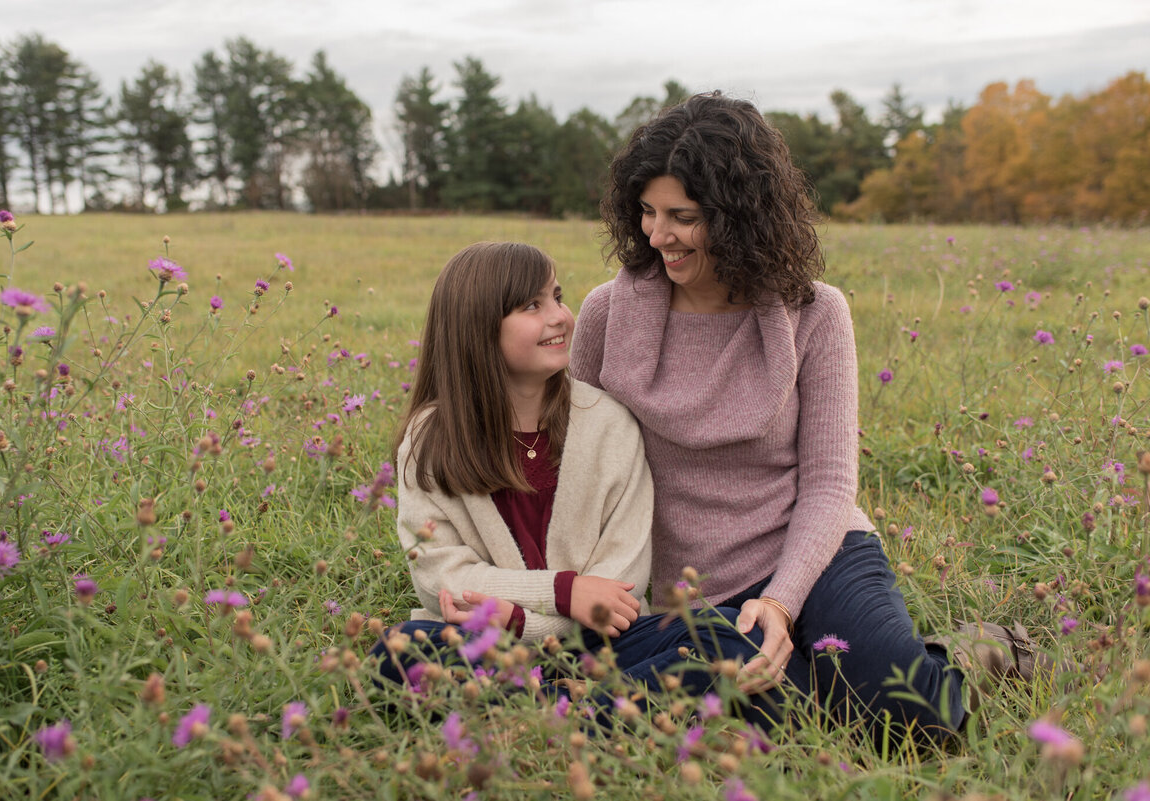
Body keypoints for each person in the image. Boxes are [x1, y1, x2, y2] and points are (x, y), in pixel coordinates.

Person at [570, 92, 1052, 741]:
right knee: (793, 726)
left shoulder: (817, 313)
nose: (657, 236)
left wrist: (781, 599)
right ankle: (814, 669)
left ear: (739, 215)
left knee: (911, 717)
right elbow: (573, 466)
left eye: (682, 217)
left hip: (812, 550)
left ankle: (980, 651)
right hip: (678, 586)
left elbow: (829, 484)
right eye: (648, 212)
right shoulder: (606, 313)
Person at [374, 241, 763, 702]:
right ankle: (594, 706)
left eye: (556, 297)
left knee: (725, 639)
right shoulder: (432, 437)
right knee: (399, 655)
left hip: (604, 644)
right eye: (531, 306)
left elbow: (620, 591)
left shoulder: (608, 422)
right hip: (484, 642)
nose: (559, 316)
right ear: (476, 326)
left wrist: (521, 620)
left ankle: (542, 705)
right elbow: (442, 577)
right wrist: (564, 592)